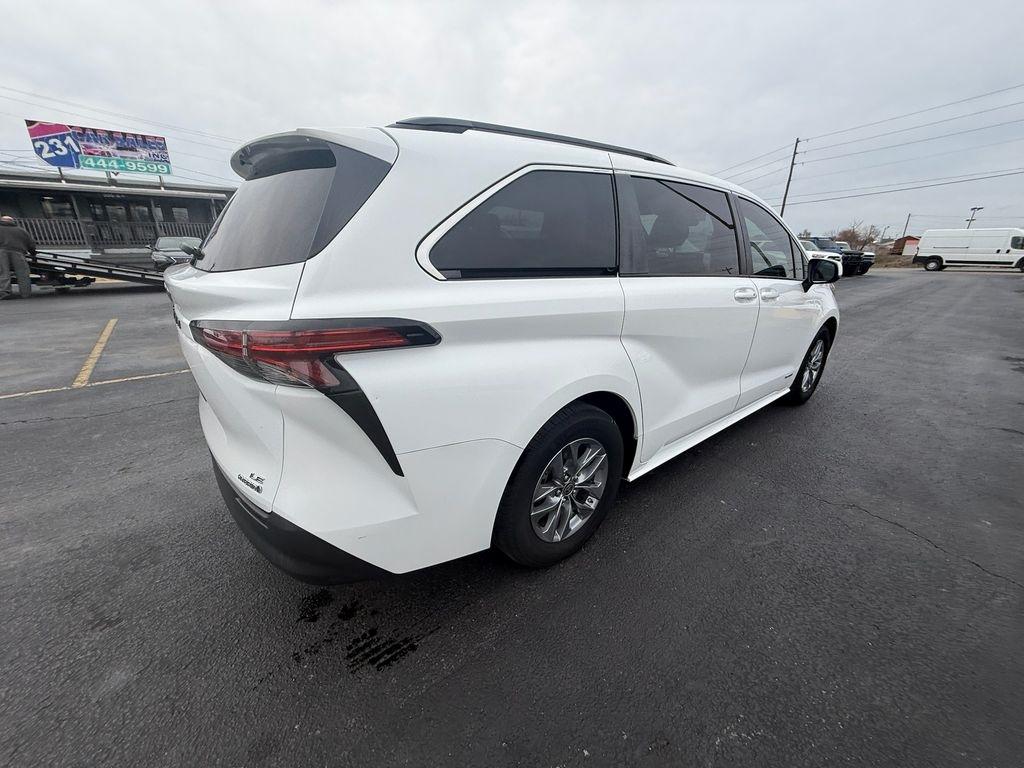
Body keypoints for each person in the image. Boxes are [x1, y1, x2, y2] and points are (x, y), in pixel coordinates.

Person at [0, 215, 36, 299]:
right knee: (23, 273)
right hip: (18, 253)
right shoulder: (21, 230)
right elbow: (31, 244)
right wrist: (33, 253)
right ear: (12, 221)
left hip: (1, 252)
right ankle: (25, 293)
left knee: (3, 272)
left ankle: (4, 292)